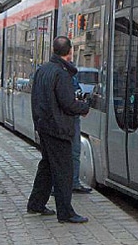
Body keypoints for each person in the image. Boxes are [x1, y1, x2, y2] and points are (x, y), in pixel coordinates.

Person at [27, 36, 90, 224]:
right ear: (69, 52)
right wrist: (84, 107)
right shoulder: (61, 74)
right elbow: (68, 104)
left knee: (47, 165)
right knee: (64, 171)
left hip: (44, 126)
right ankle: (66, 212)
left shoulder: (43, 70)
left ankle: (36, 204)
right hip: (58, 129)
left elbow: (37, 98)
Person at [71, 74, 92, 194]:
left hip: (70, 119)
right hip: (69, 120)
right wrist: (82, 108)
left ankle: (73, 182)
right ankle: (72, 183)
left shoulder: (68, 73)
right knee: (72, 152)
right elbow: (69, 100)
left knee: (73, 153)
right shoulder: (64, 74)